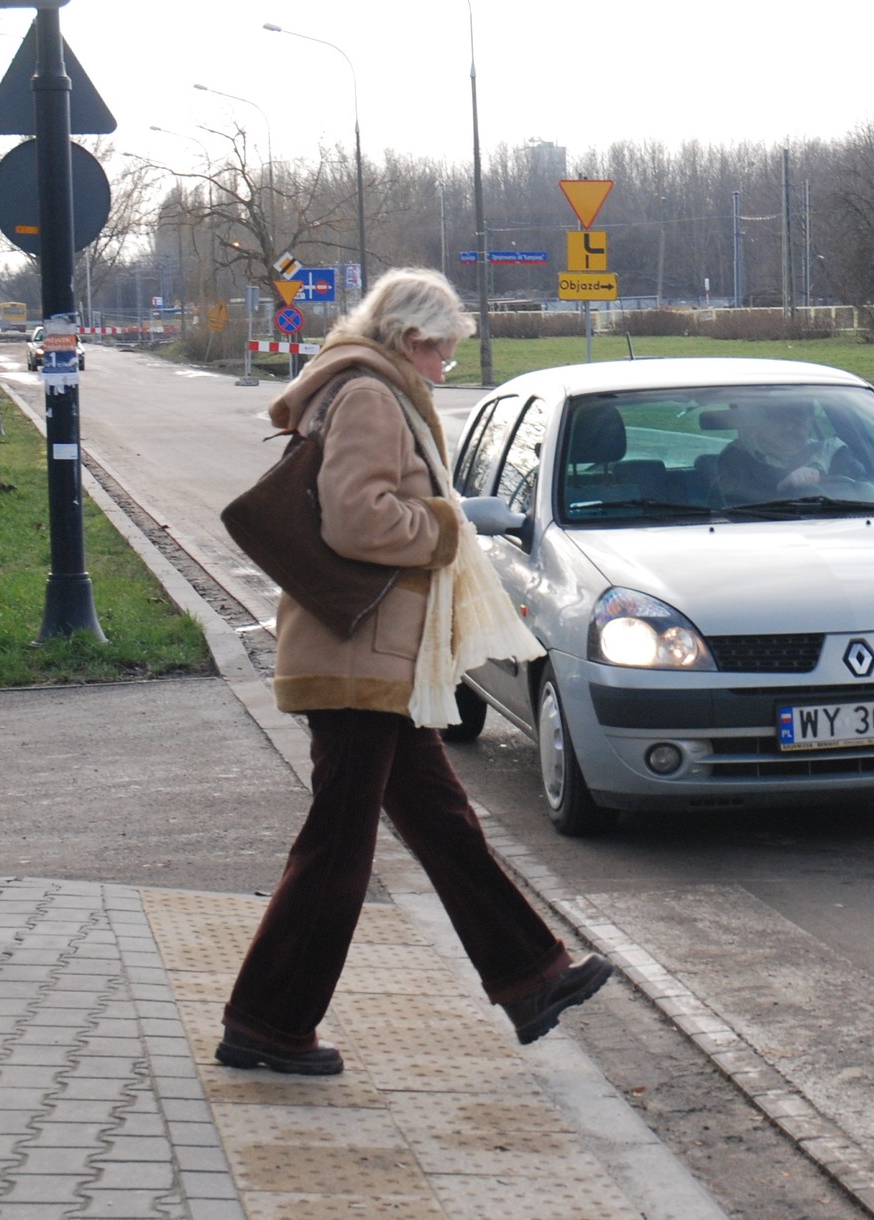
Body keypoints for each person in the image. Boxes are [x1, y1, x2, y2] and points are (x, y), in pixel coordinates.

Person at [217, 267, 611, 1075]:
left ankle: (533, 977)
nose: (444, 367)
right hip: (358, 658)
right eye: (443, 353)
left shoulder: (373, 386)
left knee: (443, 824)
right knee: (339, 848)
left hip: (377, 655)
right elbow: (356, 519)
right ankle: (267, 1023)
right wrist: (449, 524)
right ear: (410, 339)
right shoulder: (370, 395)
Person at [713, 397, 852, 503]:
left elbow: (859, 487)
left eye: (798, 421)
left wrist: (820, 479)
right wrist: (782, 488)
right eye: (780, 419)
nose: (789, 428)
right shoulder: (737, 456)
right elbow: (733, 502)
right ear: (762, 422)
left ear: (811, 421)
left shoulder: (831, 451)